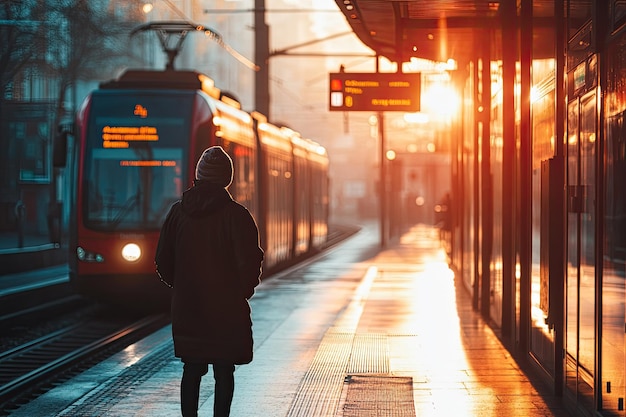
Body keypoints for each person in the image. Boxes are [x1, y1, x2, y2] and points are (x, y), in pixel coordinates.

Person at [155, 146, 264, 417]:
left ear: (198, 176)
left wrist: (183, 288)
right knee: (224, 370)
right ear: (227, 178)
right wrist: (239, 293)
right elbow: (250, 263)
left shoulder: (177, 214)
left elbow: (162, 261)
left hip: (188, 307)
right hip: (226, 310)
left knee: (191, 369)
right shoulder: (238, 216)